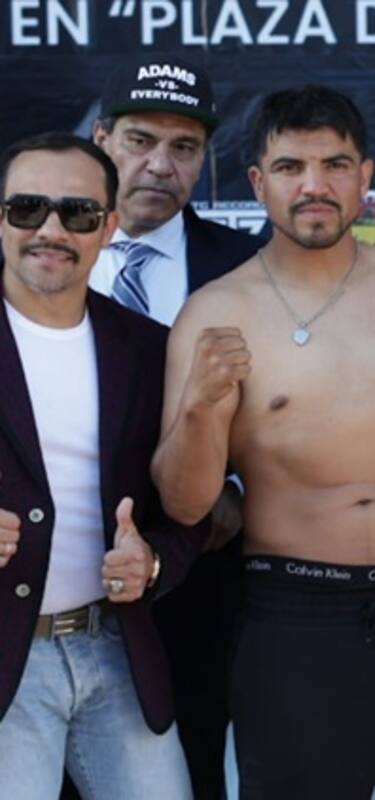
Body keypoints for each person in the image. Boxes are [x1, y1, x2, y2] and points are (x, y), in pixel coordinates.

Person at [151, 84, 375, 799]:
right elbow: (187, 504)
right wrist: (198, 408)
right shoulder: (215, 312)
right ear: (258, 182)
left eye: (335, 165)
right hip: (295, 619)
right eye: (291, 167)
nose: (313, 185)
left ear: (365, 177)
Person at [0, 132, 209, 798]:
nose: (51, 230)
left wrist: (153, 563)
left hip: (117, 650)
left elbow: (192, 506)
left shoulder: (149, 350)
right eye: (27, 208)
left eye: (78, 213)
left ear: (109, 227)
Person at [87, 53, 262, 800]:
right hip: (51, 570)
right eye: (140, 141)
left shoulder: (250, 267)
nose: (160, 164)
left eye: (184, 147)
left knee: (190, 768)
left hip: (198, 575)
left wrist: (239, 487)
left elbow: (287, 408)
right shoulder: (37, 255)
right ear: (101, 140)